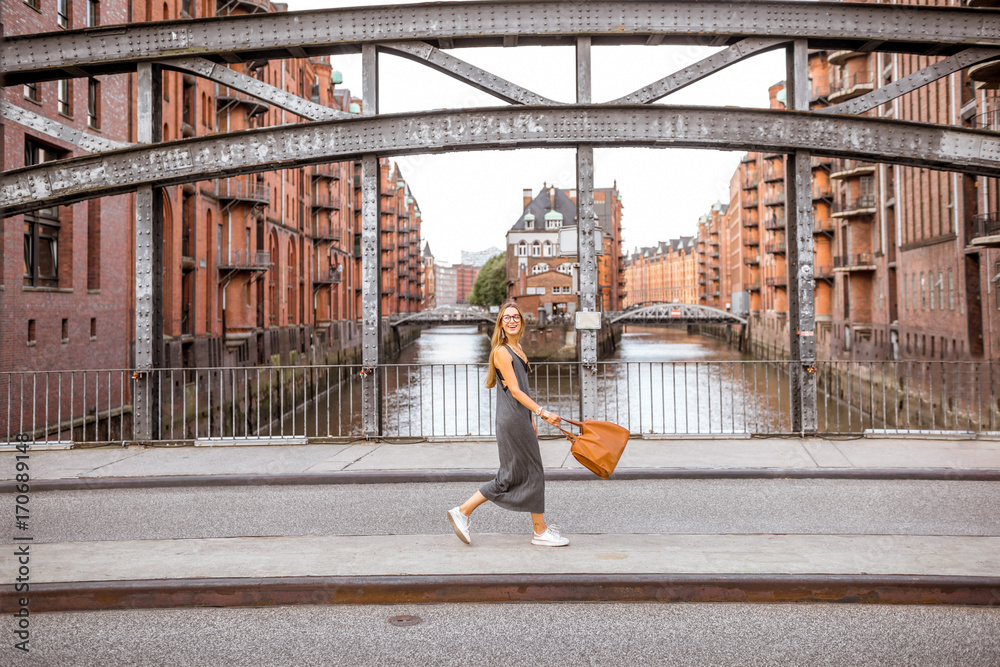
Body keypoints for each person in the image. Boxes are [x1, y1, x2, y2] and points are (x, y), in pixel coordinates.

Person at [447, 302, 569, 547]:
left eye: (515, 317)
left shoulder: (518, 348)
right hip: (511, 419)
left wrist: (532, 419)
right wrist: (543, 412)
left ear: (521, 321)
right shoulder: (502, 351)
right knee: (516, 474)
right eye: (506, 318)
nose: (511, 321)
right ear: (501, 324)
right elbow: (514, 391)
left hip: (519, 418)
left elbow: (524, 389)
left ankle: (538, 529)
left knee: (526, 472)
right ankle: (464, 511)